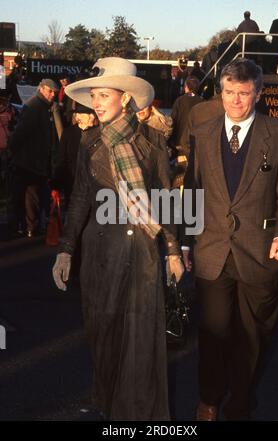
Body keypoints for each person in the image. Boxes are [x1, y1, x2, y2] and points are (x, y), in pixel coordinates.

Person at [52, 57, 184, 421]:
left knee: (141, 341)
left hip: (142, 252)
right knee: (104, 334)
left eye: (103, 94)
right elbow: (79, 198)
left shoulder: (153, 142)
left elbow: (166, 201)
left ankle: (137, 417)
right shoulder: (89, 142)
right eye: (93, 95)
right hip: (100, 253)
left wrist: (173, 250)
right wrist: (65, 251)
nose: (96, 102)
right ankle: (109, 406)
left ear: (124, 98)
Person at [182, 58, 278, 420]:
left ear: (259, 93)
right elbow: (192, 191)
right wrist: (185, 242)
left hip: (262, 254)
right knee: (214, 332)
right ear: (220, 91)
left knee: (252, 338)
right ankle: (209, 398)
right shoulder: (202, 133)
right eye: (229, 92)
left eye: (244, 93)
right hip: (212, 251)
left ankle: (240, 402)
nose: (235, 100)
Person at [8, 78, 59, 237]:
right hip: (29, 160)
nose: (53, 95)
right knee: (28, 196)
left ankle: (28, 226)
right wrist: (12, 151)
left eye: (54, 93)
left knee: (31, 195)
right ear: (42, 88)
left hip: (34, 160)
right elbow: (21, 133)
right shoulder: (34, 106)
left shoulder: (43, 106)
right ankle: (27, 226)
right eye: (50, 91)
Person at [52, 102, 97, 209]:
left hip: (92, 183)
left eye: (81, 114)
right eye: (77, 114)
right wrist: (56, 184)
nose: (77, 117)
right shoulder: (68, 133)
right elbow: (62, 159)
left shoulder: (97, 133)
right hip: (72, 182)